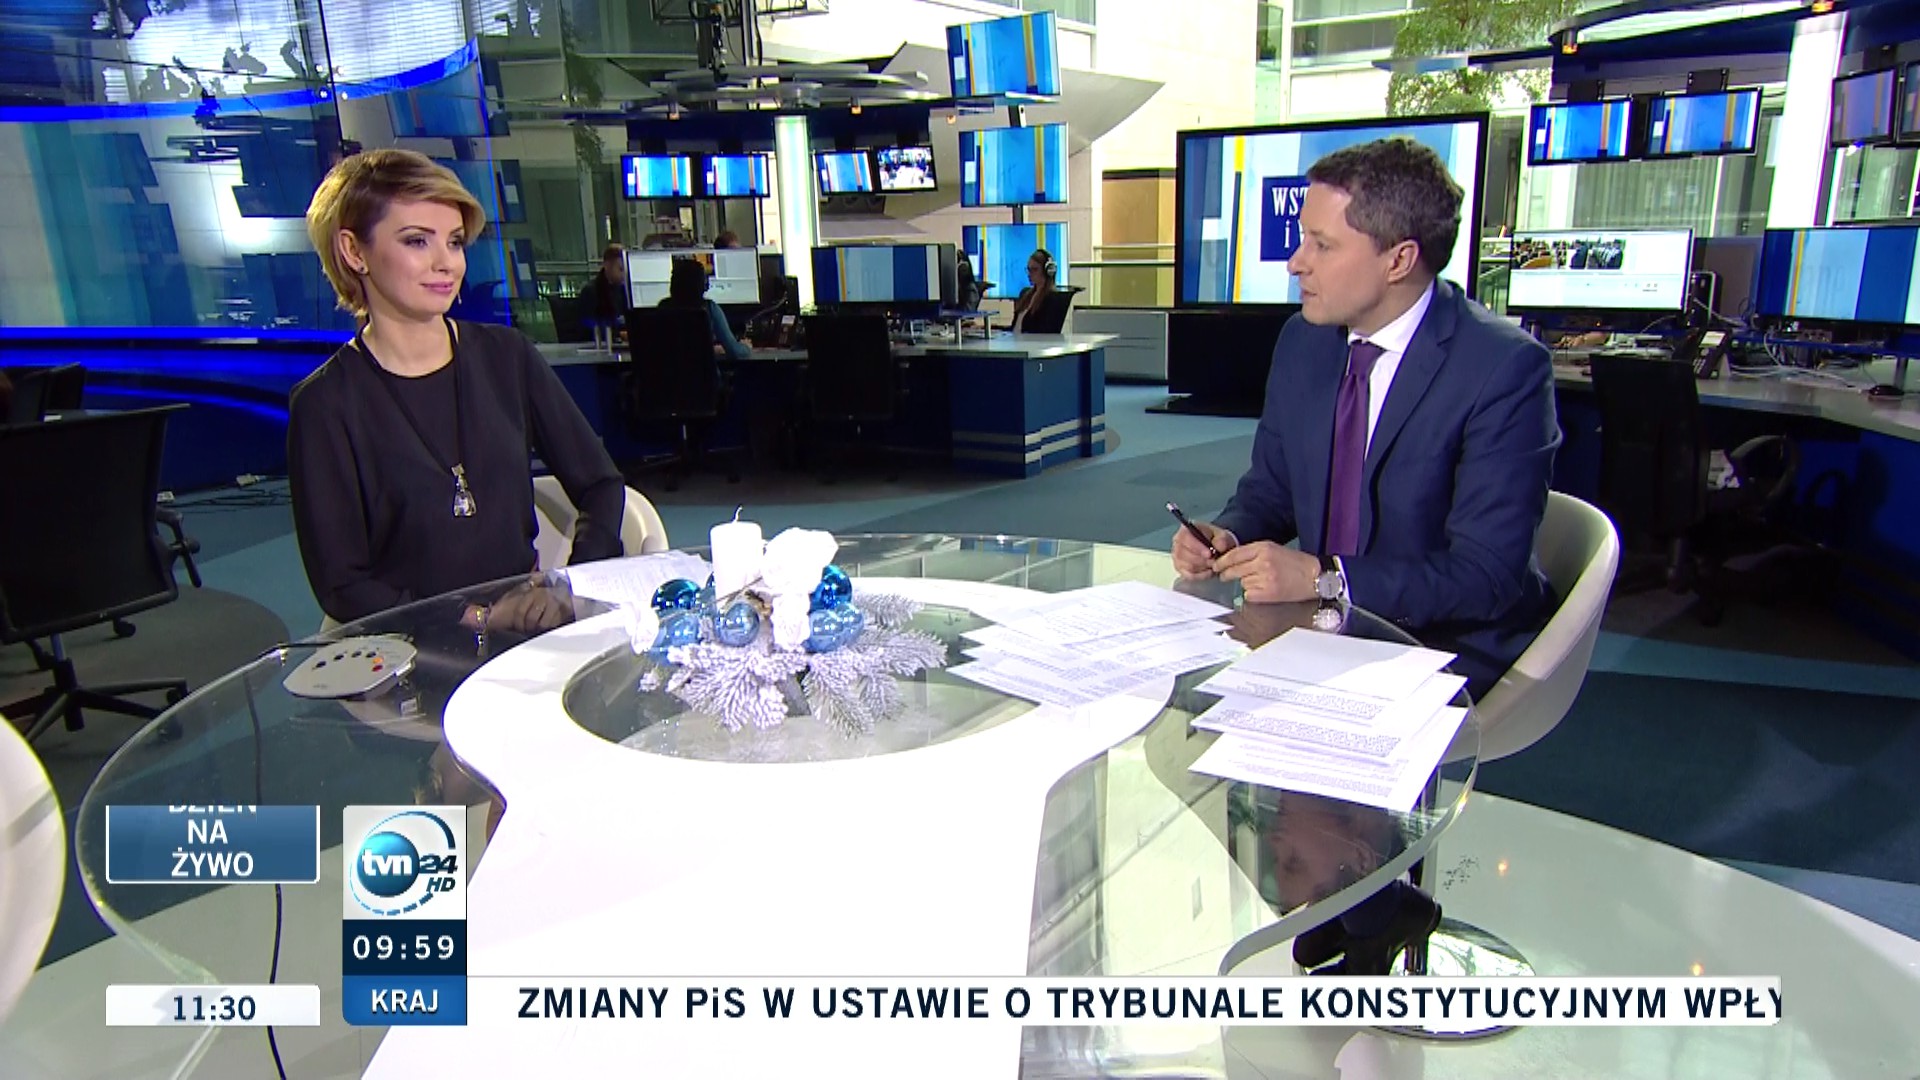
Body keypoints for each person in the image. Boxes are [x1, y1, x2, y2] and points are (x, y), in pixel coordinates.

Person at [1170, 137, 1559, 973]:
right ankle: (1341, 887)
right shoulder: (1304, 342)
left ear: (1399, 259)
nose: (1294, 263)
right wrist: (1228, 532)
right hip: (1328, 620)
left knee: (1305, 716)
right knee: (1189, 705)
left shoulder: (1502, 368)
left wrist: (1325, 579)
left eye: (1321, 244)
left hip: (1448, 632)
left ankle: (1370, 901)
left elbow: (1487, 576)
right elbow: (1271, 487)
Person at [289, 148, 628, 627]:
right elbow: (342, 585)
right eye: (417, 241)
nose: (446, 263)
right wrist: (475, 618)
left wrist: (569, 587)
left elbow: (601, 484)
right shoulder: (325, 404)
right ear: (354, 251)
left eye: (454, 242)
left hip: (530, 631)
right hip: (415, 642)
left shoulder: (507, 356)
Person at [661, 256, 751, 360]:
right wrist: (746, 347)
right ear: (702, 286)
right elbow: (735, 352)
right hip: (702, 370)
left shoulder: (663, 307)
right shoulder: (710, 309)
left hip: (668, 370)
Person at [577, 243, 628, 329]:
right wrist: (615, 323)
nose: (624, 274)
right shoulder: (591, 291)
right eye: (621, 269)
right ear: (607, 266)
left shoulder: (623, 289)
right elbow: (586, 323)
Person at [1008, 248, 1058, 333]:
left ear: (1047, 271)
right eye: (1028, 269)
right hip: (1015, 339)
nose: (1030, 274)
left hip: (1031, 341)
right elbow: (1015, 327)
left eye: (1034, 269)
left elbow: (1042, 330)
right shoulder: (1025, 294)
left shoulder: (1052, 298)